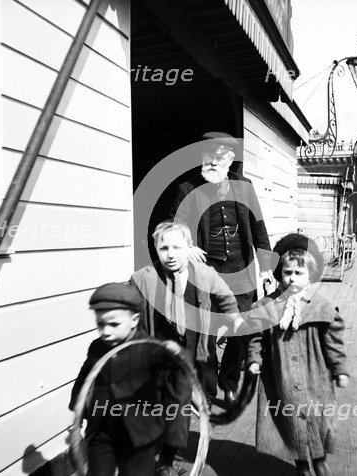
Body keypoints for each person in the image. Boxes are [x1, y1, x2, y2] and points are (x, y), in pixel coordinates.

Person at [131, 220, 245, 475]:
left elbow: (226, 297)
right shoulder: (145, 278)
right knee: (153, 403)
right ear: (156, 250)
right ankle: (149, 451)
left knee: (179, 403)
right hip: (155, 352)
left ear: (189, 248)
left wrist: (234, 319)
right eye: (164, 248)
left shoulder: (204, 274)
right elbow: (127, 306)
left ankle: (167, 459)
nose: (170, 255)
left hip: (191, 353)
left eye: (177, 248)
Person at [170, 131, 273, 403]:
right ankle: (207, 388)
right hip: (207, 273)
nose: (213, 162)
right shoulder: (188, 189)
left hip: (241, 271)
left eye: (219, 157)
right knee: (207, 332)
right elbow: (174, 226)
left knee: (241, 330)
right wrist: (185, 244)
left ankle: (229, 382)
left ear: (229, 159)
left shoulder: (244, 187)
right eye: (208, 156)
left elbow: (258, 228)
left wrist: (266, 267)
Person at [247, 233, 349, 476]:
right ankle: (301, 465)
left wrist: (339, 369)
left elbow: (334, 343)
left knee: (318, 420)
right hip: (281, 376)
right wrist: (254, 359)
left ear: (310, 275)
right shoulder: (267, 306)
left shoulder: (321, 307)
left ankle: (320, 460)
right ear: (279, 274)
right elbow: (256, 338)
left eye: (299, 273)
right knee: (291, 422)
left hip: (315, 376)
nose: (292, 278)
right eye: (287, 272)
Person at [69, 281, 188, 476]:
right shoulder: (96, 348)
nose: (106, 331)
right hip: (102, 431)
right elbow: (85, 379)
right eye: (101, 324)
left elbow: (173, 364)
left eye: (114, 324)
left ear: (134, 320)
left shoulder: (150, 348)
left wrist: (174, 352)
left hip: (139, 434)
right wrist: (78, 410)